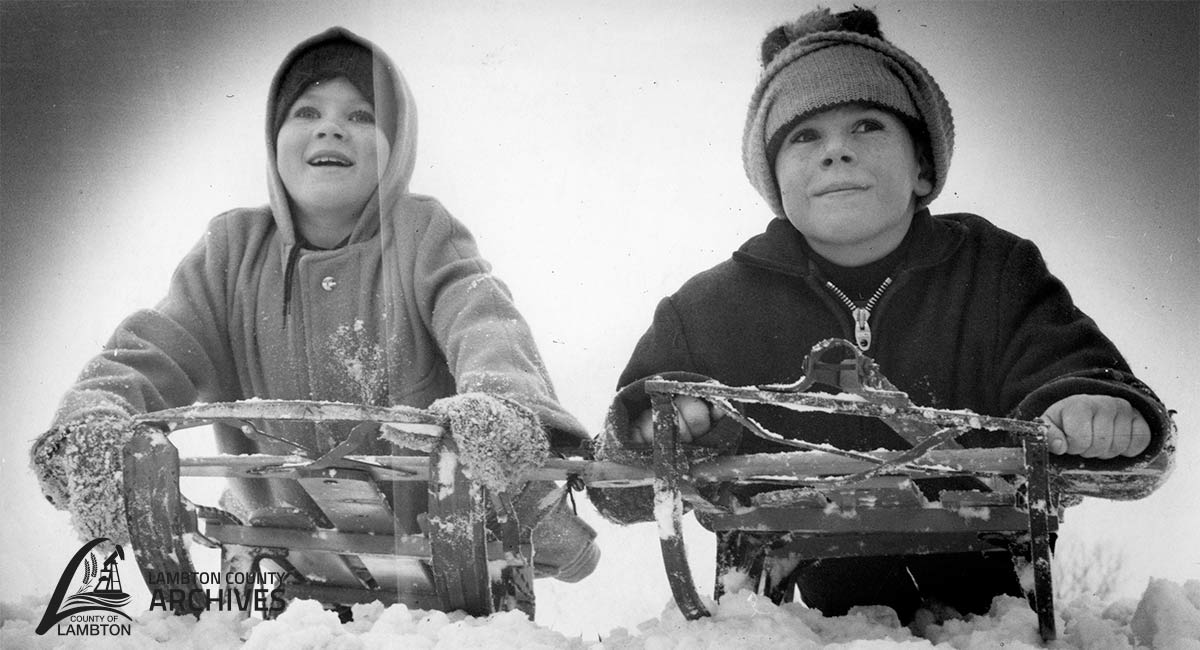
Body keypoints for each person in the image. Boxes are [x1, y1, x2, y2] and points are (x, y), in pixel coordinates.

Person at [589, 6, 1174, 627]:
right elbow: (617, 483)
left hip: (997, 613)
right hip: (799, 625)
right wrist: (659, 425)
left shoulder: (995, 272)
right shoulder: (708, 310)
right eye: (804, 136)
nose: (836, 151)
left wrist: (1088, 403)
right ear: (774, 178)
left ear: (923, 167)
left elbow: (1060, 355)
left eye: (867, 126)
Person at [30, 27, 598, 587]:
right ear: (275, 138)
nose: (331, 126)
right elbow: (153, 347)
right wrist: (93, 420)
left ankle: (539, 518)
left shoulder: (423, 234)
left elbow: (483, 320)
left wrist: (501, 402)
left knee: (532, 530)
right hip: (286, 536)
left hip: (439, 530)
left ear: (397, 148)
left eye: (361, 117)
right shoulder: (231, 251)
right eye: (306, 112)